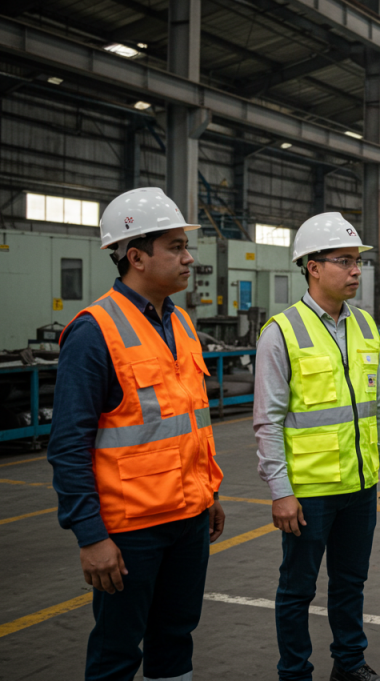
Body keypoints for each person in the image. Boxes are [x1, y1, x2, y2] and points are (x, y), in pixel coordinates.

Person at [48, 187, 225, 681]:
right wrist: (91, 536)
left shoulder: (181, 322)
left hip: (188, 519)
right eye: (175, 246)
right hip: (130, 532)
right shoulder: (93, 331)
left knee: (175, 640)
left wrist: (207, 494)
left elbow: (187, 423)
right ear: (136, 257)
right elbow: (68, 445)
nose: (189, 257)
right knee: (117, 653)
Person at [253, 212, 380, 681]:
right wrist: (280, 490)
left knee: (350, 584)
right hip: (310, 490)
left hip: (359, 486)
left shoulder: (366, 327)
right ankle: (295, 672)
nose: (356, 270)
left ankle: (349, 663)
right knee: (297, 589)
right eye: (344, 261)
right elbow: (267, 420)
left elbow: (378, 407)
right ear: (313, 267)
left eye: (358, 261)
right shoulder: (281, 332)